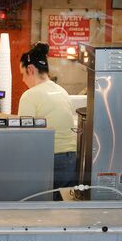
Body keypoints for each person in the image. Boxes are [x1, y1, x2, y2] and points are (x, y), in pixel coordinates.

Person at [18, 42, 77, 194]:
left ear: (30, 69)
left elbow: (24, 136)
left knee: (43, 208)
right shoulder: (62, 91)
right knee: (63, 205)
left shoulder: (29, 96)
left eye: (22, 74)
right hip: (71, 158)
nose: (23, 80)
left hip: (49, 159)